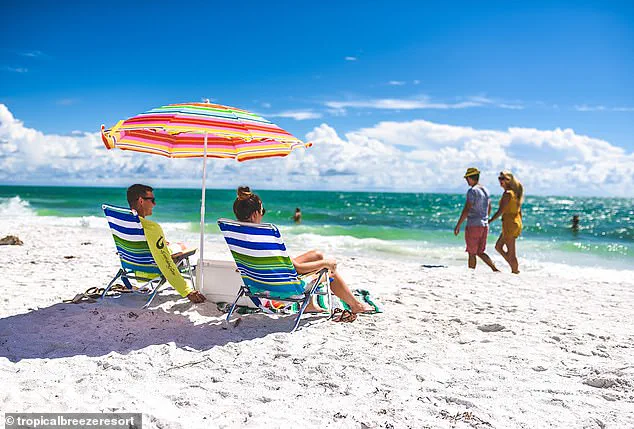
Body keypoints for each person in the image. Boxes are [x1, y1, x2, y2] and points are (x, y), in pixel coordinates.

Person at [233, 186, 372, 314]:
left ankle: (310, 306)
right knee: (331, 273)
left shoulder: (238, 236)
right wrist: (326, 264)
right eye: (262, 211)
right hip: (282, 287)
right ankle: (356, 305)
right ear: (255, 214)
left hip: (257, 281)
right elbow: (298, 268)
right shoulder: (265, 236)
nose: (263, 215)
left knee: (316, 255)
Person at [127, 184, 206, 303]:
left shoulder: (125, 221)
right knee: (183, 248)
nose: (154, 204)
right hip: (150, 271)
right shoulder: (153, 228)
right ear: (141, 201)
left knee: (175, 245)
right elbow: (165, 263)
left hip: (133, 265)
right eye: (152, 200)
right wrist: (186, 291)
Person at [454, 167, 499, 272]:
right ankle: (495, 269)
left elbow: (467, 209)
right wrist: (485, 218)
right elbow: (489, 207)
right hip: (484, 225)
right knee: (480, 251)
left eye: (467, 178)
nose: (466, 181)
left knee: (472, 252)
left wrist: (458, 225)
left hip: (473, 224)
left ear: (470, 178)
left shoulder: (472, 191)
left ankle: (471, 272)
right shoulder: (486, 190)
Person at [488, 171, 523, 274]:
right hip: (514, 223)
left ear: (508, 180)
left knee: (511, 253)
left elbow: (500, 211)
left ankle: (515, 271)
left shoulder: (508, 194)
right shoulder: (515, 193)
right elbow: (519, 211)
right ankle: (514, 268)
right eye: (499, 178)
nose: (500, 181)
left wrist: (489, 221)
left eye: (503, 179)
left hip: (510, 223)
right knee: (498, 246)